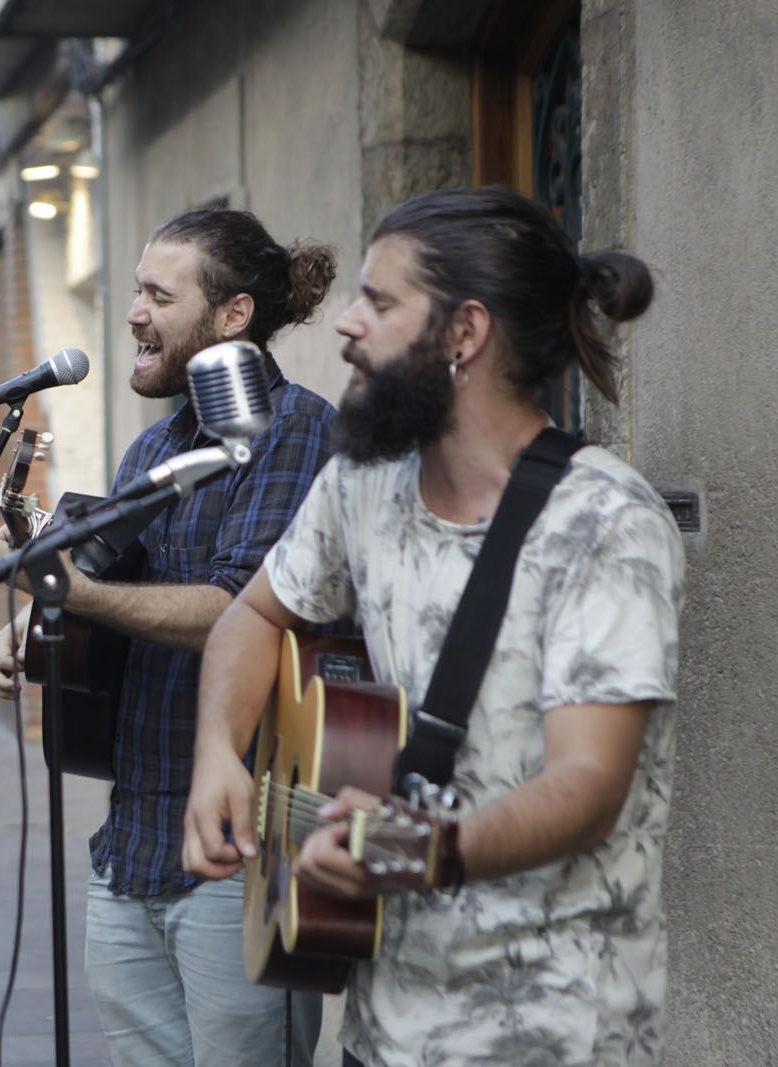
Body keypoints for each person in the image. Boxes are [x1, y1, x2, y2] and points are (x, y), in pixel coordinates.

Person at [182, 187, 684, 1067]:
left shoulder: (604, 519)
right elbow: (254, 613)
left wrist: (419, 850)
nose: (345, 323)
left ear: (464, 334)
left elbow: (589, 782)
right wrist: (218, 752)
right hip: (385, 1026)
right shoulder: (361, 482)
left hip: (553, 1030)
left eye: (378, 301)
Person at [0, 208, 340, 1067]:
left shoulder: (295, 430)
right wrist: (37, 623)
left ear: (233, 315)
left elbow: (240, 606)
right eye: (136, 290)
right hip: (129, 850)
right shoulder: (153, 450)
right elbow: (111, 598)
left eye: (157, 294)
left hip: (243, 852)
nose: (134, 312)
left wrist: (77, 591)